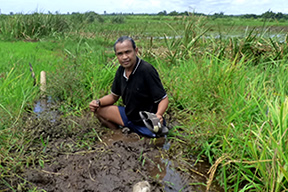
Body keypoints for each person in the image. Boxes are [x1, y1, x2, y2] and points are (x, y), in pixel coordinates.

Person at [89, 36, 168, 138]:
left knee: (156, 137)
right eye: (120, 54)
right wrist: (97, 102)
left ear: (136, 51)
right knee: (98, 110)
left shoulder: (146, 70)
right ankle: (118, 133)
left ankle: (131, 131)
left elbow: (164, 99)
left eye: (128, 52)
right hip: (129, 115)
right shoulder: (121, 71)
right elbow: (113, 97)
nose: (124, 57)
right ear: (116, 56)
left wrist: (158, 115)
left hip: (147, 121)